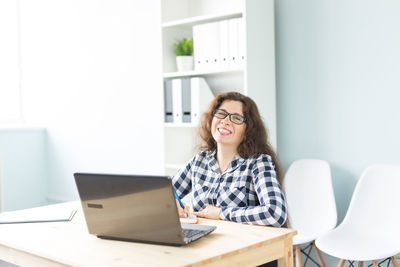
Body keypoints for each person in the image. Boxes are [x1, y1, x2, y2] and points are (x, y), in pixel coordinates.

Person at [172, 91, 287, 227]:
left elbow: (275, 213)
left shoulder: (259, 163)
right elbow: (163, 195)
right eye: (221, 114)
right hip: (203, 241)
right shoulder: (199, 161)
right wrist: (174, 206)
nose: (225, 121)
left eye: (236, 118)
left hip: (243, 243)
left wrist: (221, 213)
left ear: (248, 129)